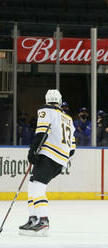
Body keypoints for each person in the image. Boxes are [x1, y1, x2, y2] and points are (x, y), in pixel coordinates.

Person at [19, 89, 76, 236]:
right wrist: (61, 157)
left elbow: (41, 133)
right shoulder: (68, 119)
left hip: (49, 156)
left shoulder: (46, 110)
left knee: (37, 186)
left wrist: (32, 152)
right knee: (33, 184)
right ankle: (33, 218)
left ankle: (43, 220)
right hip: (61, 160)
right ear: (60, 101)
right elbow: (72, 149)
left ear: (46, 100)